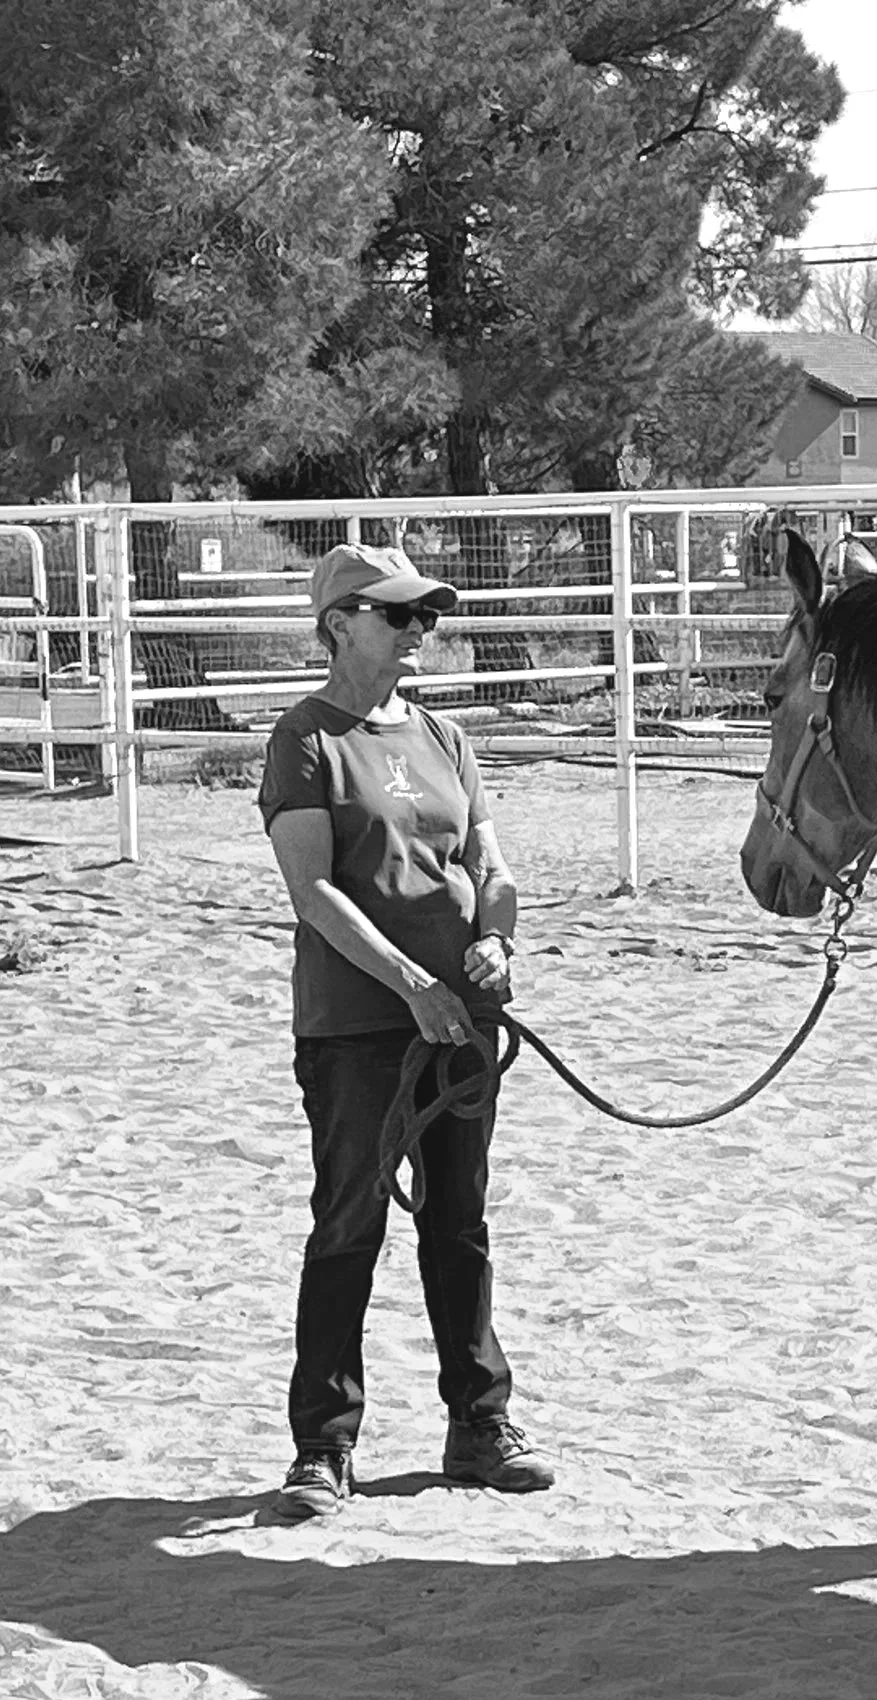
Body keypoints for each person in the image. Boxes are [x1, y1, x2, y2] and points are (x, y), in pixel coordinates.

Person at [257, 541, 555, 1520]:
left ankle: (480, 1423)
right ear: (341, 624)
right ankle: (324, 1443)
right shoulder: (306, 739)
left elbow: (493, 864)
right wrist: (409, 978)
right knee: (351, 1219)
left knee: (458, 1219)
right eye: (398, 615)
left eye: (425, 615)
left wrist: (497, 945)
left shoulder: (447, 737)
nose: (418, 631)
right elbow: (314, 891)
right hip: (357, 1024)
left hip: (461, 1019)